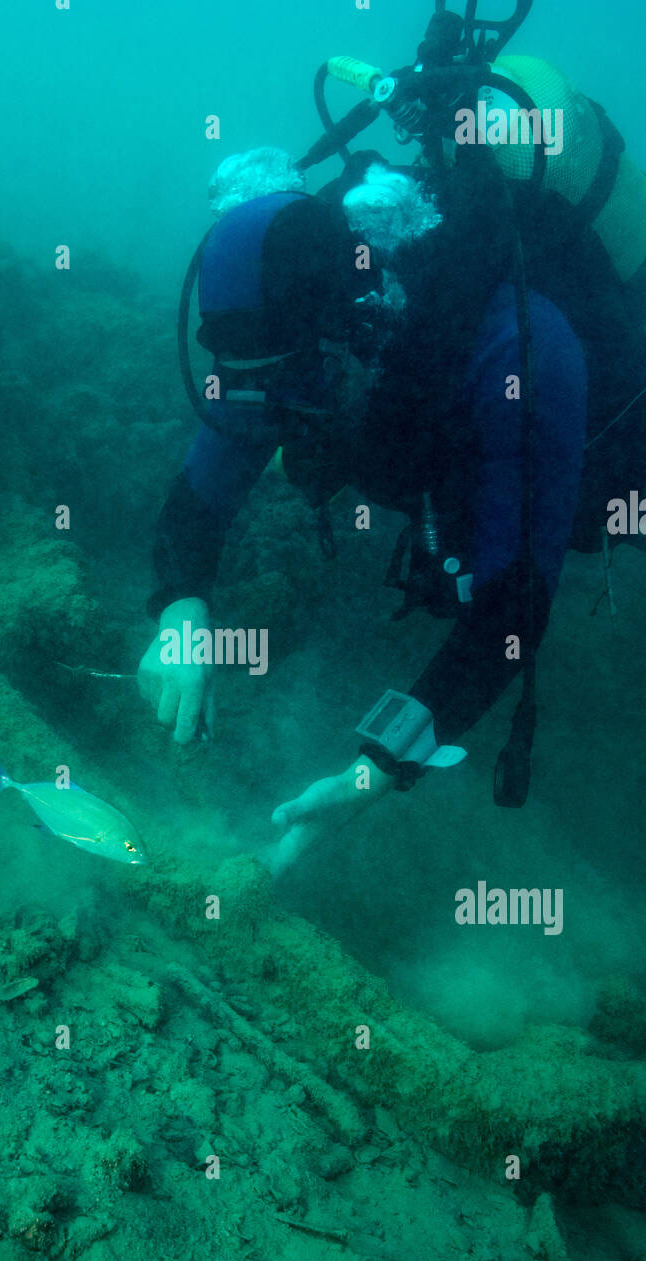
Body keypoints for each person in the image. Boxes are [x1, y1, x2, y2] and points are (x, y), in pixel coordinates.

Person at [137, 143, 646, 874]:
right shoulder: (281, 339)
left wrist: (372, 773)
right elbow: (199, 497)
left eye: (286, 380)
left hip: (600, 460)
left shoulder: (520, 353)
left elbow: (513, 610)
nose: (260, 406)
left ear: (357, 327)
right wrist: (181, 615)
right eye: (241, 377)